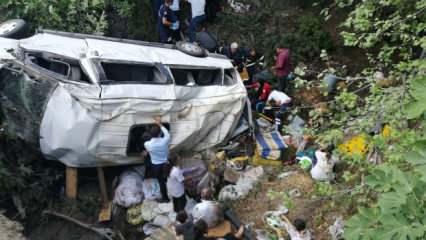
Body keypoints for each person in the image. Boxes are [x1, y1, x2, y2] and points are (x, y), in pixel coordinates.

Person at [144, 116, 171, 202]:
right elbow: (167, 133)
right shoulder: (165, 141)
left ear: (150, 135)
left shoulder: (147, 144)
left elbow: (147, 151)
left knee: (161, 181)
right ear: (160, 134)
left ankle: (165, 198)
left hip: (156, 166)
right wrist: (160, 124)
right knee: (169, 178)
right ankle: (172, 192)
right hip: (166, 163)